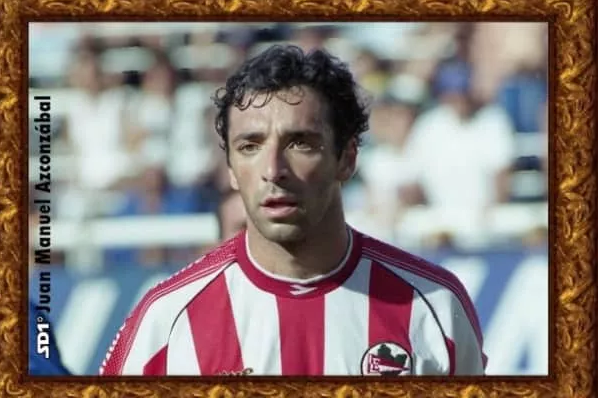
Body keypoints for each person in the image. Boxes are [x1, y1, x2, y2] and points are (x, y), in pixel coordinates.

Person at [99, 45, 487, 376]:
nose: (273, 170)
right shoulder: (166, 321)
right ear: (230, 168)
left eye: (300, 143)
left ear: (347, 158)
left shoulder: (435, 305)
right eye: (250, 146)